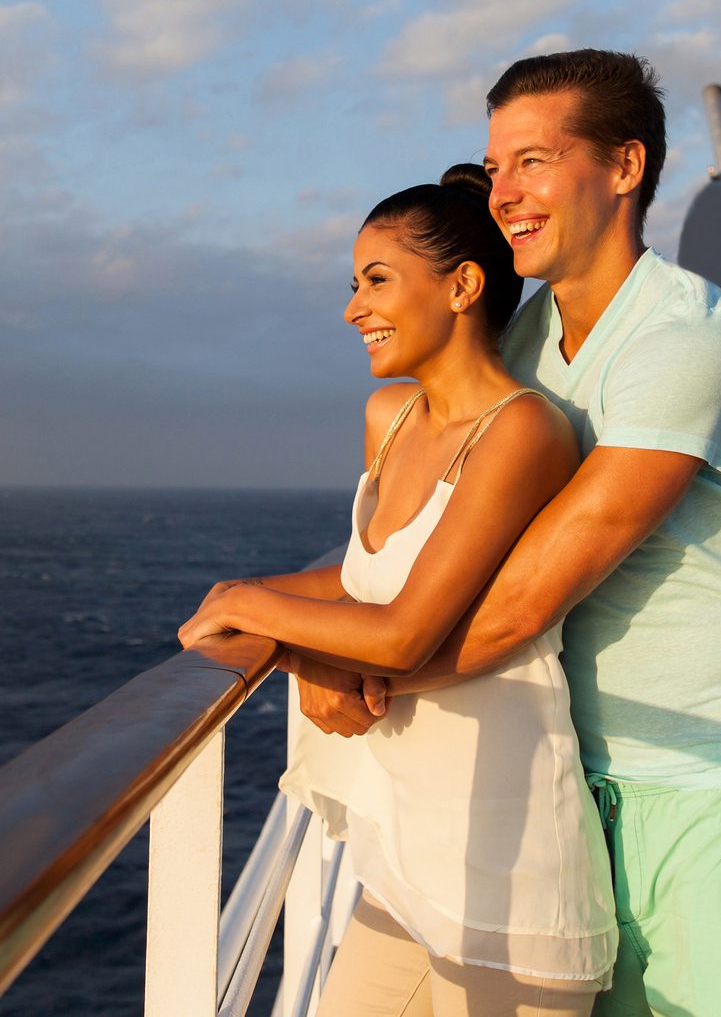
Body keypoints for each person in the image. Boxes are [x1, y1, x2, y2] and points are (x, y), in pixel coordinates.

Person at [294, 51, 721, 1017]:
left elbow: (521, 598)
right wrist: (316, 639)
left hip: (707, 789)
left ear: (625, 167)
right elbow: (428, 540)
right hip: (564, 784)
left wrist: (354, 663)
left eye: (533, 161)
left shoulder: (683, 339)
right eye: (496, 164)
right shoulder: (517, 350)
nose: (502, 192)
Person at [179, 164, 617, 1015]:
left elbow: (403, 633)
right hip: (404, 850)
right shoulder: (390, 417)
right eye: (354, 284)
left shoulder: (523, 430)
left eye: (376, 280)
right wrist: (270, 609)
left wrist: (248, 605)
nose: (353, 308)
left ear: (461, 286)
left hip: (505, 863)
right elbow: (359, 581)